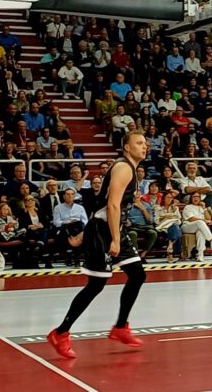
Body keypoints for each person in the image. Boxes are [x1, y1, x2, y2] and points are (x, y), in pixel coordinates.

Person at [47, 130, 149, 359]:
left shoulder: (129, 168)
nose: (145, 146)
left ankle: (121, 327)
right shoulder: (123, 168)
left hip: (112, 228)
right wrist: (113, 239)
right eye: (139, 143)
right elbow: (112, 206)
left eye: (145, 143)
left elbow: (104, 207)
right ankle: (60, 333)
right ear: (126, 147)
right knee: (96, 286)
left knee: (137, 275)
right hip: (104, 231)